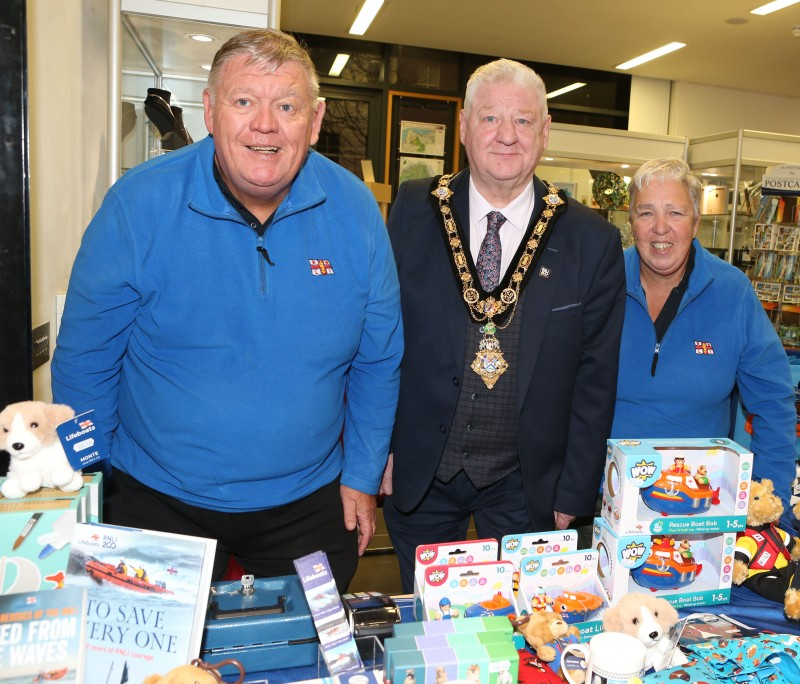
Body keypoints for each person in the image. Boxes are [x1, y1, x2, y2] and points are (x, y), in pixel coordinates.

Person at [51, 28, 403, 592]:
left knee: (307, 660)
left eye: (286, 106)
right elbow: (83, 364)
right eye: (244, 102)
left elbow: (379, 360)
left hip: (307, 500)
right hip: (157, 498)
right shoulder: (137, 205)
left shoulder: (356, 211)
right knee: (154, 673)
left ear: (314, 122)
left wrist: (362, 476)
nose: (265, 124)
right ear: (211, 112)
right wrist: (92, 482)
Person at [381, 58, 626, 592]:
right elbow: (380, 344)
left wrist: (575, 492)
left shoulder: (593, 240)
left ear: (545, 132)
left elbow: (596, 380)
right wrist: (377, 451)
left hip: (527, 485)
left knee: (524, 631)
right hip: (421, 472)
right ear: (465, 126)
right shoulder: (412, 211)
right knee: (430, 630)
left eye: (523, 121)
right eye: (491, 119)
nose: (507, 136)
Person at [611, 158, 796, 520]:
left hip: (699, 507)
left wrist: (768, 501)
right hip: (605, 496)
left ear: (696, 222)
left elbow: (773, 402)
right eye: (646, 213)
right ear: (630, 222)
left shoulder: (732, 292)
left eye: (675, 213)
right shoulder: (600, 282)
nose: (660, 228)